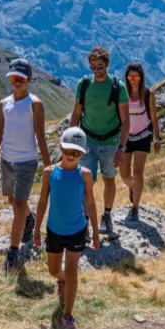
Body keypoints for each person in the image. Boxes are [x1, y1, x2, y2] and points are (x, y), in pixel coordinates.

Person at [33, 127, 100, 329]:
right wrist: (36, 229)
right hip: (54, 230)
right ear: (61, 147)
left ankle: (68, 315)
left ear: (82, 154)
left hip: (77, 230)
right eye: (68, 150)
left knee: (72, 271)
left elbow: (90, 203)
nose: (71, 156)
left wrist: (96, 232)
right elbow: (43, 201)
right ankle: (61, 280)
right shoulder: (49, 173)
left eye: (76, 153)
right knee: (54, 270)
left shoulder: (85, 175)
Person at [0, 58, 52, 274]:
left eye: (21, 79)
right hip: (6, 160)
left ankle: (13, 253)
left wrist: (48, 166)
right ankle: (29, 217)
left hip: (27, 162)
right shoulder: (3, 104)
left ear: (29, 80)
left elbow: (41, 137)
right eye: (13, 78)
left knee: (17, 207)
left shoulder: (35, 104)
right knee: (13, 200)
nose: (17, 82)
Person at [70, 47, 129, 237]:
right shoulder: (84, 84)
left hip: (111, 142)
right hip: (87, 140)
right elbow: (77, 112)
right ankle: (85, 221)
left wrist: (122, 147)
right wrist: (72, 140)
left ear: (107, 65)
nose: (96, 70)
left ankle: (107, 215)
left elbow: (126, 120)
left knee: (109, 179)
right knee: (86, 181)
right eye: (93, 67)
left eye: (100, 67)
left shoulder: (117, 87)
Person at [119, 63, 161, 223]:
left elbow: (154, 118)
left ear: (141, 77)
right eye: (130, 77)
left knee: (138, 173)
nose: (133, 80)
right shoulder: (123, 94)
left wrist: (158, 139)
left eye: (136, 77)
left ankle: (135, 207)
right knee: (124, 174)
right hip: (126, 136)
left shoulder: (148, 94)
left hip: (144, 136)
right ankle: (132, 187)